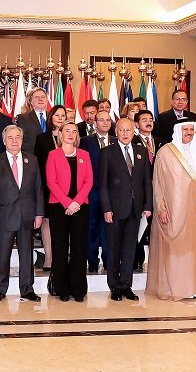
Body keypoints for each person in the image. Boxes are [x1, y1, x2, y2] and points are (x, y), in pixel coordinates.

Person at [146, 121, 196, 300]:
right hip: (174, 210)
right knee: (176, 249)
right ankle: (174, 287)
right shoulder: (165, 152)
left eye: (192, 130)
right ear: (178, 131)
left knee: (195, 248)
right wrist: (161, 207)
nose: (190, 133)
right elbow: (158, 183)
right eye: (186, 130)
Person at [0, 125, 44, 303]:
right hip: (4, 216)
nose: (14, 141)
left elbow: (38, 189)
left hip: (27, 215)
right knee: (2, 255)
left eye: (17, 137)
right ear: (4, 141)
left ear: (22, 139)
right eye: (10, 138)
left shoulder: (32, 160)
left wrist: (39, 214)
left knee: (27, 255)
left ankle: (27, 289)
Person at [99, 118, 152, 301]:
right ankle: (114, 285)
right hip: (114, 209)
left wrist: (147, 205)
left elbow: (146, 181)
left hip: (135, 209)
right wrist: (106, 208)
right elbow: (103, 185)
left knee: (130, 248)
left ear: (133, 131)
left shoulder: (141, 151)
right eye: (121, 130)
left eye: (128, 130)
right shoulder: (107, 152)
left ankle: (126, 284)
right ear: (116, 132)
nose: (125, 133)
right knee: (114, 248)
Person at [46, 121, 93, 302]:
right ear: (60, 133)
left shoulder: (84, 155)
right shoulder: (53, 155)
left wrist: (76, 202)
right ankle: (62, 288)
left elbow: (89, 181)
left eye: (74, 131)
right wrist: (67, 203)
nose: (71, 134)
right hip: (59, 207)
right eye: (67, 131)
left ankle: (78, 289)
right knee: (60, 248)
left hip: (81, 207)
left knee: (79, 248)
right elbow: (52, 182)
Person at [79, 111, 115, 273]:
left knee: (110, 228)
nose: (105, 123)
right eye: (101, 120)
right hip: (91, 191)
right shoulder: (86, 142)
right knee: (91, 227)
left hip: (112, 192)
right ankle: (92, 260)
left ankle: (109, 260)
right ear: (95, 123)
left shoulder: (116, 141)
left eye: (108, 120)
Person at [34, 105, 68, 271]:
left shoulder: (71, 136)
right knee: (47, 221)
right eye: (57, 115)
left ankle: (62, 257)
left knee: (64, 222)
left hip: (68, 188)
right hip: (47, 186)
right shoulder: (42, 138)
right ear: (51, 117)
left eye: (63, 115)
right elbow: (38, 164)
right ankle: (49, 258)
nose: (60, 118)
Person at [132, 110, 166, 271]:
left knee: (156, 226)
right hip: (140, 190)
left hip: (160, 190)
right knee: (138, 226)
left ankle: (157, 260)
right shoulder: (131, 141)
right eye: (144, 119)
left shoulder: (162, 143)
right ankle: (137, 259)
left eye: (151, 119)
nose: (148, 122)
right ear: (136, 124)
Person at [16, 87, 48, 154]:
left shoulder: (53, 116)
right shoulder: (23, 118)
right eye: (36, 97)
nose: (40, 99)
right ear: (31, 101)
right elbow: (21, 140)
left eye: (43, 97)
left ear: (47, 100)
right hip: (32, 157)